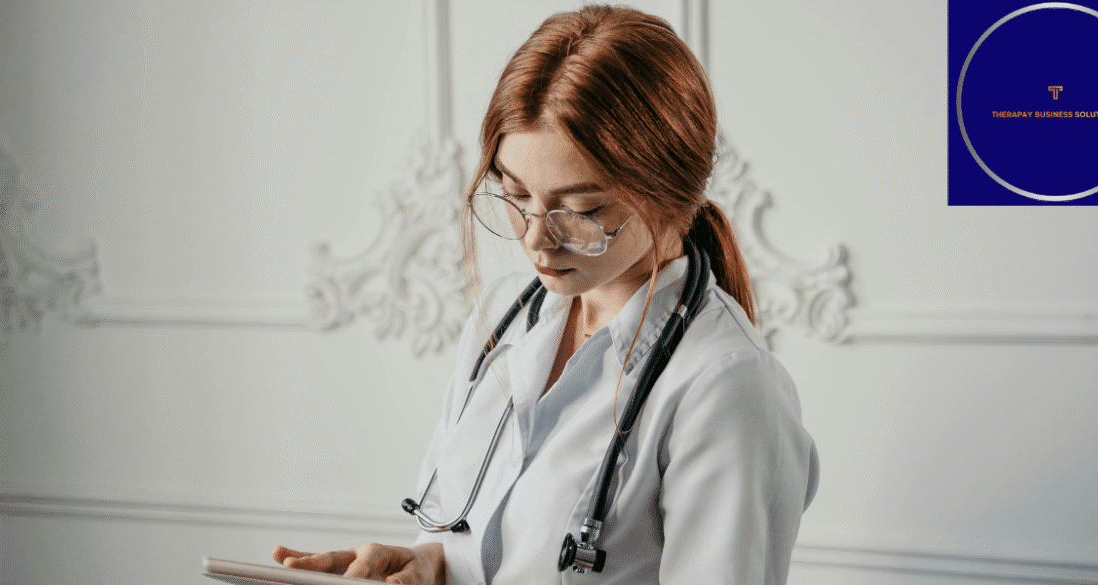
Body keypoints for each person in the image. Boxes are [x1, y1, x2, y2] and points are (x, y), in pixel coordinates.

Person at [273, 5, 818, 584]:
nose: (536, 238)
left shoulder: (728, 384)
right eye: (515, 194)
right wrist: (429, 564)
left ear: (668, 188)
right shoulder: (502, 320)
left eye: (582, 210)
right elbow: (480, 543)